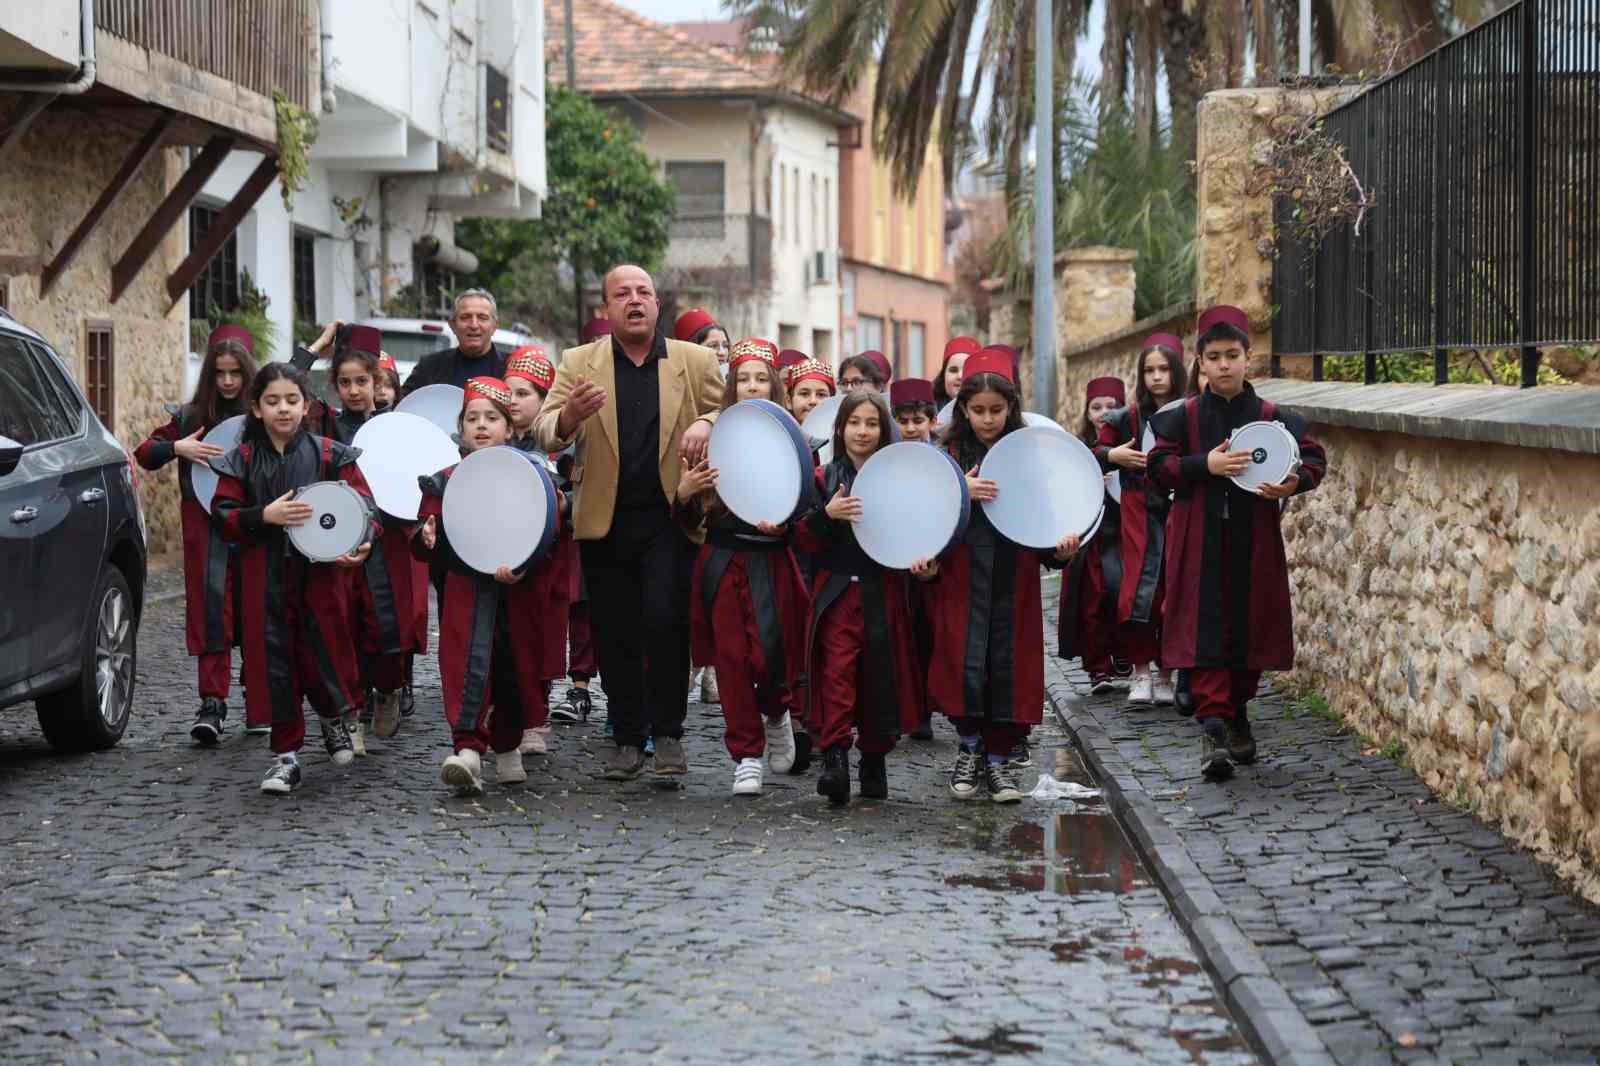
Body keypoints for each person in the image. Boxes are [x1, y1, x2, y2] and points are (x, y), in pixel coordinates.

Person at [534, 264, 723, 781]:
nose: (634, 301)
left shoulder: (695, 360)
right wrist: (569, 416)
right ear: (607, 309)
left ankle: (667, 734)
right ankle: (624, 736)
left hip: (671, 516)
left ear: (657, 304)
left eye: (644, 293)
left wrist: (706, 422)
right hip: (605, 519)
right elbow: (544, 431)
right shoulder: (579, 362)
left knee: (665, 620)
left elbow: (727, 410)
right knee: (615, 629)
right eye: (622, 294)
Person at [1148, 305, 1327, 781]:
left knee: (1250, 625)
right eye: (1214, 356)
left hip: (1254, 539)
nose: (1224, 365)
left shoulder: (1272, 417)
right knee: (1202, 626)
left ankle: (1238, 712)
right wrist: (1202, 465)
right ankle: (1212, 727)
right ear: (1200, 363)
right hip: (1197, 537)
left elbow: (1311, 460)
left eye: (1232, 355)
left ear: (1249, 358)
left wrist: (1293, 483)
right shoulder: (1182, 417)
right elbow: (1158, 467)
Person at [208, 362, 379, 795]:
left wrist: (363, 541)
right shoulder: (242, 460)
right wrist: (263, 515)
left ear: (306, 406)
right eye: (272, 401)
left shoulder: (327, 454)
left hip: (320, 579)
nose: (282, 409)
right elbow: (223, 515)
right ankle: (285, 758)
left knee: (323, 653)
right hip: (263, 578)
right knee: (275, 664)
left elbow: (364, 508)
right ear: (256, 407)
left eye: (291, 400)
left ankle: (332, 718)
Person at [923, 350, 1079, 802]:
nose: (987, 420)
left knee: (1008, 666)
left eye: (996, 410)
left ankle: (999, 761)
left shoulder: (1030, 456)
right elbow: (924, 517)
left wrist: (1062, 553)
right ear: (963, 410)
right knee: (963, 663)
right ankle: (969, 748)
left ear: (1011, 409)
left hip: (1016, 579)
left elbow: (1046, 520)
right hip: (962, 577)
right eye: (978, 411)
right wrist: (958, 490)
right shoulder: (946, 457)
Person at [675, 339, 812, 795]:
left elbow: (807, 510)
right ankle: (746, 755)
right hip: (721, 560)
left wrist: (786, 527)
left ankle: (776, 715)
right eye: (743, 379)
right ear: (731, 387)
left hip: (770, 562)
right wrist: (686, 492)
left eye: (760, 378)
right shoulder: (711, 439)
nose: (751, 386)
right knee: (732, 659)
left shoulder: (795, 440)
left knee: (769, 656)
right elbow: (689, 520)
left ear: (774, 385)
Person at [417, 377, 565, 794]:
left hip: (516, 590)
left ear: (509, 427)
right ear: (460, 428)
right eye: (472, 418)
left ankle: (507, 746)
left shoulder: (533, 474)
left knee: (513, 667)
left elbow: (550, 525)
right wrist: (426, 536)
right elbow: (426, 529)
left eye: (492, 418)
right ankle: (466, 749)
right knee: (466, 664)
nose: (482, 426)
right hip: (466, 588)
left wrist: (527, 561)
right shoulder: (445, 479)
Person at [793, 392, 922, 805]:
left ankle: (873, 761)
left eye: (871, 424)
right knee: (837, 674)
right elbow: (802, 539)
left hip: (882, 592)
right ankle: (834, 759)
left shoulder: (901, 479)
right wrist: (826, 516)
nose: (862, 431)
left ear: (884, 431)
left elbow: (918, 532)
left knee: (879, 676)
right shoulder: (823, 478)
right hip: (835, 593)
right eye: (854, 423)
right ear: (840, 428)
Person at [134, 325, 257, 742]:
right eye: (220, 372)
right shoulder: (189, 417)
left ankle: (259, 698)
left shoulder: (263, 414)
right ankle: (213, 703)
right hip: (205, 529)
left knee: (257, 610)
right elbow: (144, 453)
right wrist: (178, 448)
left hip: (254, 523)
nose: (227, 381)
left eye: (235, 373)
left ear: (247, 373)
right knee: (212, 613)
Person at [1102, 335, 1188, 707]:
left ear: (1177, 371)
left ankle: (1168, 673)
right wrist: (1114, 454)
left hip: (1177, 508)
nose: (1156, 377)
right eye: (1149, 370)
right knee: (1136, 591)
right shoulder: (1125, 418)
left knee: (1173, 590)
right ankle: (1140, 671)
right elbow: (1091, 451)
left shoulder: (1191, 411)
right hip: (1137, 509)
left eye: (1164, 369)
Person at [504, 347, 571, 757]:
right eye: (508, 392)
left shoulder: (560, 449)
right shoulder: (490, 437)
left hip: (547, 559)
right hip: (501, 553)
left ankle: (536, 714)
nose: (513, 401)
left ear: (545, 399)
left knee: (541, 634)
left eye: (524, 393)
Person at [1058, 377, 1130, 694]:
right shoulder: (1077, 448)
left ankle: (1123, 653)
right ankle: (1097, 667)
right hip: (1089, 537)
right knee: (1092, 601)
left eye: (1111, 407)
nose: (1103, 413)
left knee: (1122, 594)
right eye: (1096, 407)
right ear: (1087, 412)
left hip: (1123, 532)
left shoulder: (1130, 444)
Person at [403, 290, 507, 392]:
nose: (474, 325)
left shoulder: (510, 367)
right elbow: (403, 404)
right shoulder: (429, 366)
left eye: (482, 317)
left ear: (495, 326)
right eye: (465, 317)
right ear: (453, 325)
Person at [786, 358, 836, 429]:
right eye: (804, 394)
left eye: (821, 395)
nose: (813, 401)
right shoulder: (777, 437)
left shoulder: (842, 439)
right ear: (789, 401)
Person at [932, 335, 981, 408]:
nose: (960, 376)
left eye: (966, 370)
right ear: (943, 375)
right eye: (953, 370)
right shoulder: (928, 414)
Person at [889, 378, 937, 444]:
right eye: (903, 422)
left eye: (918, 422)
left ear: (932, 423)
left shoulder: (944, 453)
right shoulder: (884, 453)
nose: (910, 429)